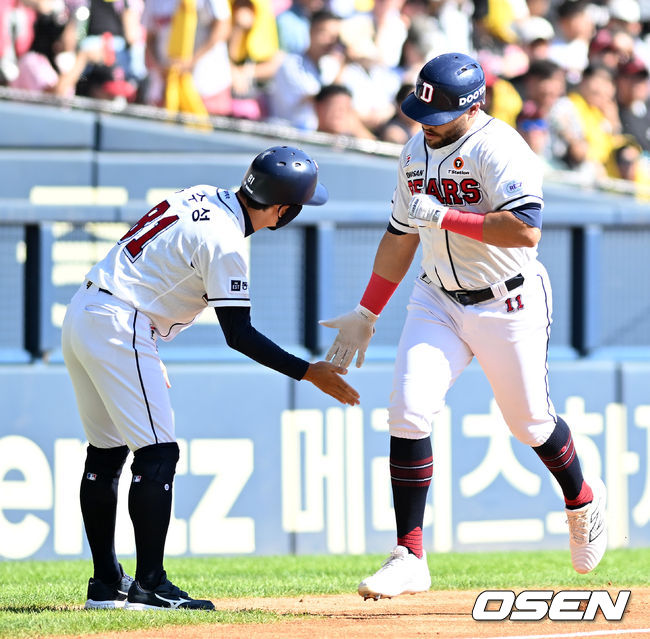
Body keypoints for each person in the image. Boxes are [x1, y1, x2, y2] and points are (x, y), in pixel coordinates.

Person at [320, 52, 608, 600]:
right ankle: (409, 554)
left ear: (471, 107)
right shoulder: (412, 151)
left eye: (438, 114)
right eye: (419, 111)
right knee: (406, 408)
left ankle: (581, 501)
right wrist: (366, 312)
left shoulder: (500, 148)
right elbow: (400, 236)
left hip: (508, 300)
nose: (425, 124)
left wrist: (447, 216)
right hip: (437, 298)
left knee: (529, 423)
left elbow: (525, 231)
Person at [62, 145, 360, 611]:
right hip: (124, 322)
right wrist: (309, 372)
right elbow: (238, 334)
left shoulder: (201, 194)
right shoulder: (226, 243)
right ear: (282, 210)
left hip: (85, 310)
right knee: (158, 454)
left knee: (106, 452)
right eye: (296, 207)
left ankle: (105, 584)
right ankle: (150, 585)